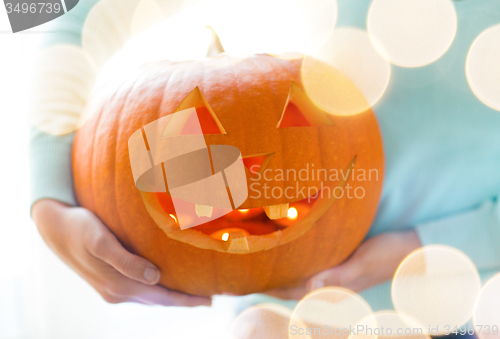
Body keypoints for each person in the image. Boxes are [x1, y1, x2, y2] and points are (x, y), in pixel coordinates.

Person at [31, 0, 500, 314]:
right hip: (286, 297)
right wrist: (48, 199)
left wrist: (422, 246)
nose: (250, 161)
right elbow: (64, 11)